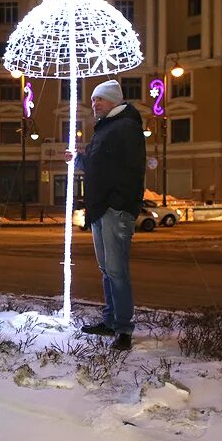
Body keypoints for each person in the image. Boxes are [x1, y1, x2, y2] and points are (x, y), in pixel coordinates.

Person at [67, 79, 146, 351]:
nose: (94, 104)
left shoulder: (126, 127)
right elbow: (98, 165)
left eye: (99, 99)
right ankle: (110, 320)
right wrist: (77, 159)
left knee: (117, 271)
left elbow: (133, 171)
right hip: (100, 209)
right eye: (92, 100)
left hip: (114, 210)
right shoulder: (106, 128)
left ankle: (123, 329)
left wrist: (119, 204)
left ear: (114, 100)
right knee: (106, 270)